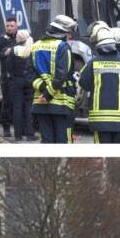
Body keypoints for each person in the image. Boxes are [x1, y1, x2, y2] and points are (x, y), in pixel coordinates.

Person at [79, 26, 120, 143]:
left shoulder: (93, 63)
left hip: (100, 120)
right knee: (118, 157)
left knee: (102, 157)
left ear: (98, 46)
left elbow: (83, 83)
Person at [30, 15, 77, 143]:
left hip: (40, 104)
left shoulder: (35, 46)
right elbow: (61, 76)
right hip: (61, 103)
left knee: (47, 141)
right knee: (63, 141)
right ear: (62, 32)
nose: (70, 36)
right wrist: (48, 94)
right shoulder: (63, 47)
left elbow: (29, 75)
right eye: (68, 33)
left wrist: (43, 90)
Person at [6, 29, 36, 142]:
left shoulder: (14, 50)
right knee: (29, 108)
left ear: (21, 38)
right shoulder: (32, 50)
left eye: (17, 37)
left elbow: (9, 67)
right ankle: (30, 134)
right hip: (30, 82)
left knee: (17, 108)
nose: (15, 38)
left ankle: (18, 135)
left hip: (17, 81)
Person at [0, 17, 19, 138]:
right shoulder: (1, 40)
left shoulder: (20, 38)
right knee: (7, 101)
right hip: (6, 73)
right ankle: (5, 125)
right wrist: (4, 53)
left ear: (16, 26)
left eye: (11, 25)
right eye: (8, 26)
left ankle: (19, 126)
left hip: (18, 73)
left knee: (19, 102)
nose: (9, 28)